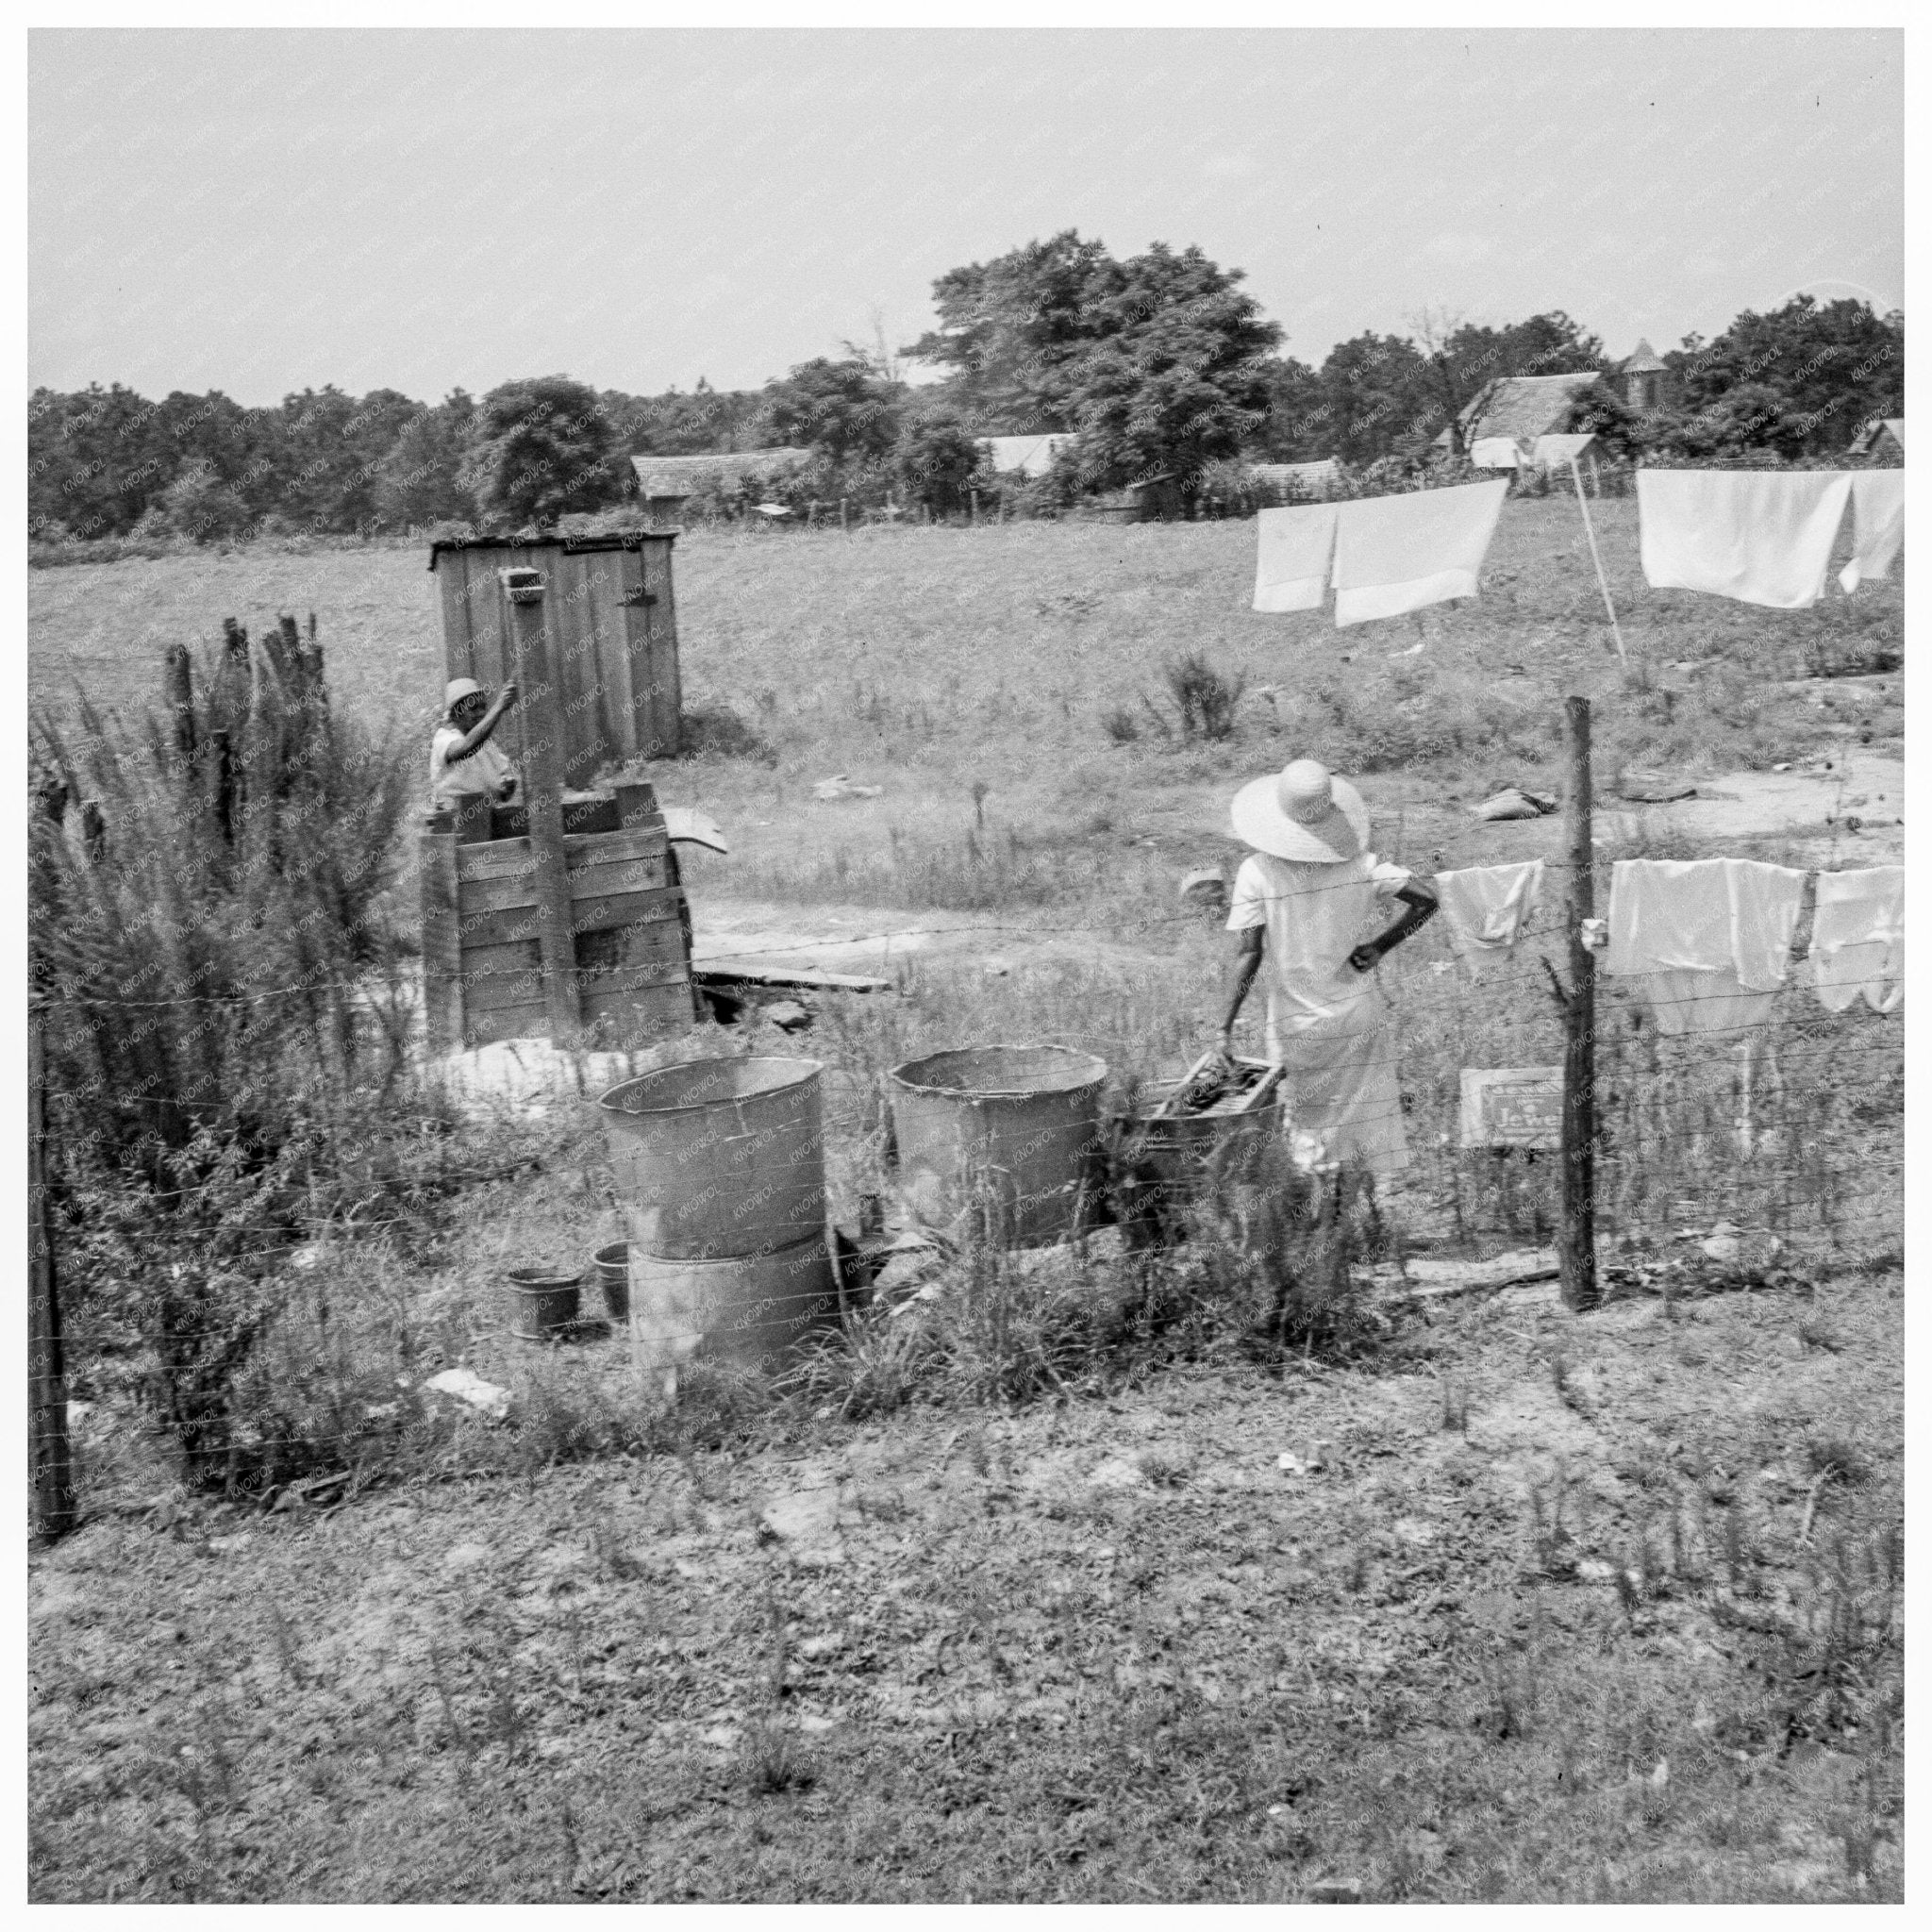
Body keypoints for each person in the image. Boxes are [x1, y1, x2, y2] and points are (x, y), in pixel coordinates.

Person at [1214, 758, 1437, 1184]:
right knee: (1355, 1128)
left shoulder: (1257, 872)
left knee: (1301, 1127)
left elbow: (1249, 954)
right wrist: (1378, 947)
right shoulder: (1362, 865)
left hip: (1295, 1023)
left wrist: (1222, 1028)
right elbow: (1427, 898)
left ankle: (1317, 1233)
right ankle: (1354, 1222)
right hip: (1356, 1014)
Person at [429, 677, 520, 811]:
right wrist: (499, 707)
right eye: (473, 709)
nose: (481, 713)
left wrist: (507, 788)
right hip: (453, 820)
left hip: (485, 819)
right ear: (456, 713)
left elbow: (502, 793)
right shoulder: (444, 738)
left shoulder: (486, 745)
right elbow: (466, 747)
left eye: (483, 707)